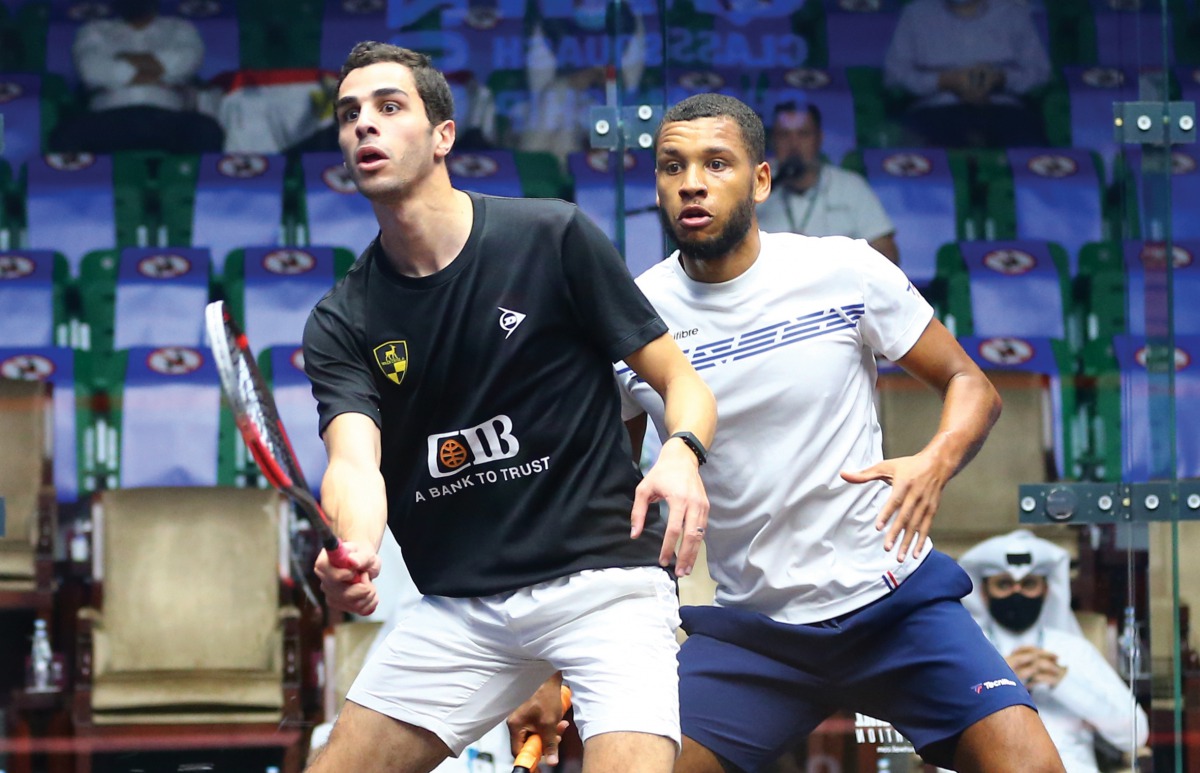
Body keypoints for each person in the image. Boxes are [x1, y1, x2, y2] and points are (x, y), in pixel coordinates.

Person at [509, 92, 1065, 772]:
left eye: (717, 164)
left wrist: (933, 462)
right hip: (753, 634)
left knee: (1031, 764)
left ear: (762, 180)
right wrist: (548, 665)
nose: (691, 182)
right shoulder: (633, 317)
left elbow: (971, 384)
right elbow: (599, 512)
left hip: (895, 607)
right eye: (672, 166)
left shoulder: (842, 269)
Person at [301, 42, 717, 773]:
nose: (363, 125)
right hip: (464, 604)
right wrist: (357, 545)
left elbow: (684, 383)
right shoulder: (342, 319)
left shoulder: (552, 239)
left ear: (442, 136)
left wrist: (681, 451)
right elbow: (355, 463)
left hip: (605, 583)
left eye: (389, 107)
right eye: (348, 114)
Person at [958, 530, 1150, 773]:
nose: (1017, 593)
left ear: (1046, 590)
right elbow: (940, 727)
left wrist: (1064, 681)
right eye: (1004, 584)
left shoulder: (1073, 650)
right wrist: (1000, 685)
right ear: (984, 592)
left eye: (1028, 584)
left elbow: (1135, 734)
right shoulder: (965, 648)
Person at [50, 0, 224, 154]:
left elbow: (184, 63)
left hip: (167, 116)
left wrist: (122, 59)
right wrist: (158, 71)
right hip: (108, 117)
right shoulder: (93, 30)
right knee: (66, 134)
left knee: (206, 131)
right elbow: (91, 70)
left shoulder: (180, 28)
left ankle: (185, 189)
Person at [883, 0, 1051, 148]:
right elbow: (895, 75)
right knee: (915, 154)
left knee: (1031, 149)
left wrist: (1000, 79)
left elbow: (1040, 73)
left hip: (1003, 108)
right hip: (935, 110)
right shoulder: (915, 14)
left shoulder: (1013, 13)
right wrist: (943, 81)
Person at [755, 102, 899, 264]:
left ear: (819, 139)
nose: (793, 144)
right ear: (773, 140)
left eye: (803, 134)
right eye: (784, 135)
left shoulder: (850, 186)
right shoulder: (755, 186)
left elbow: (887, 252)